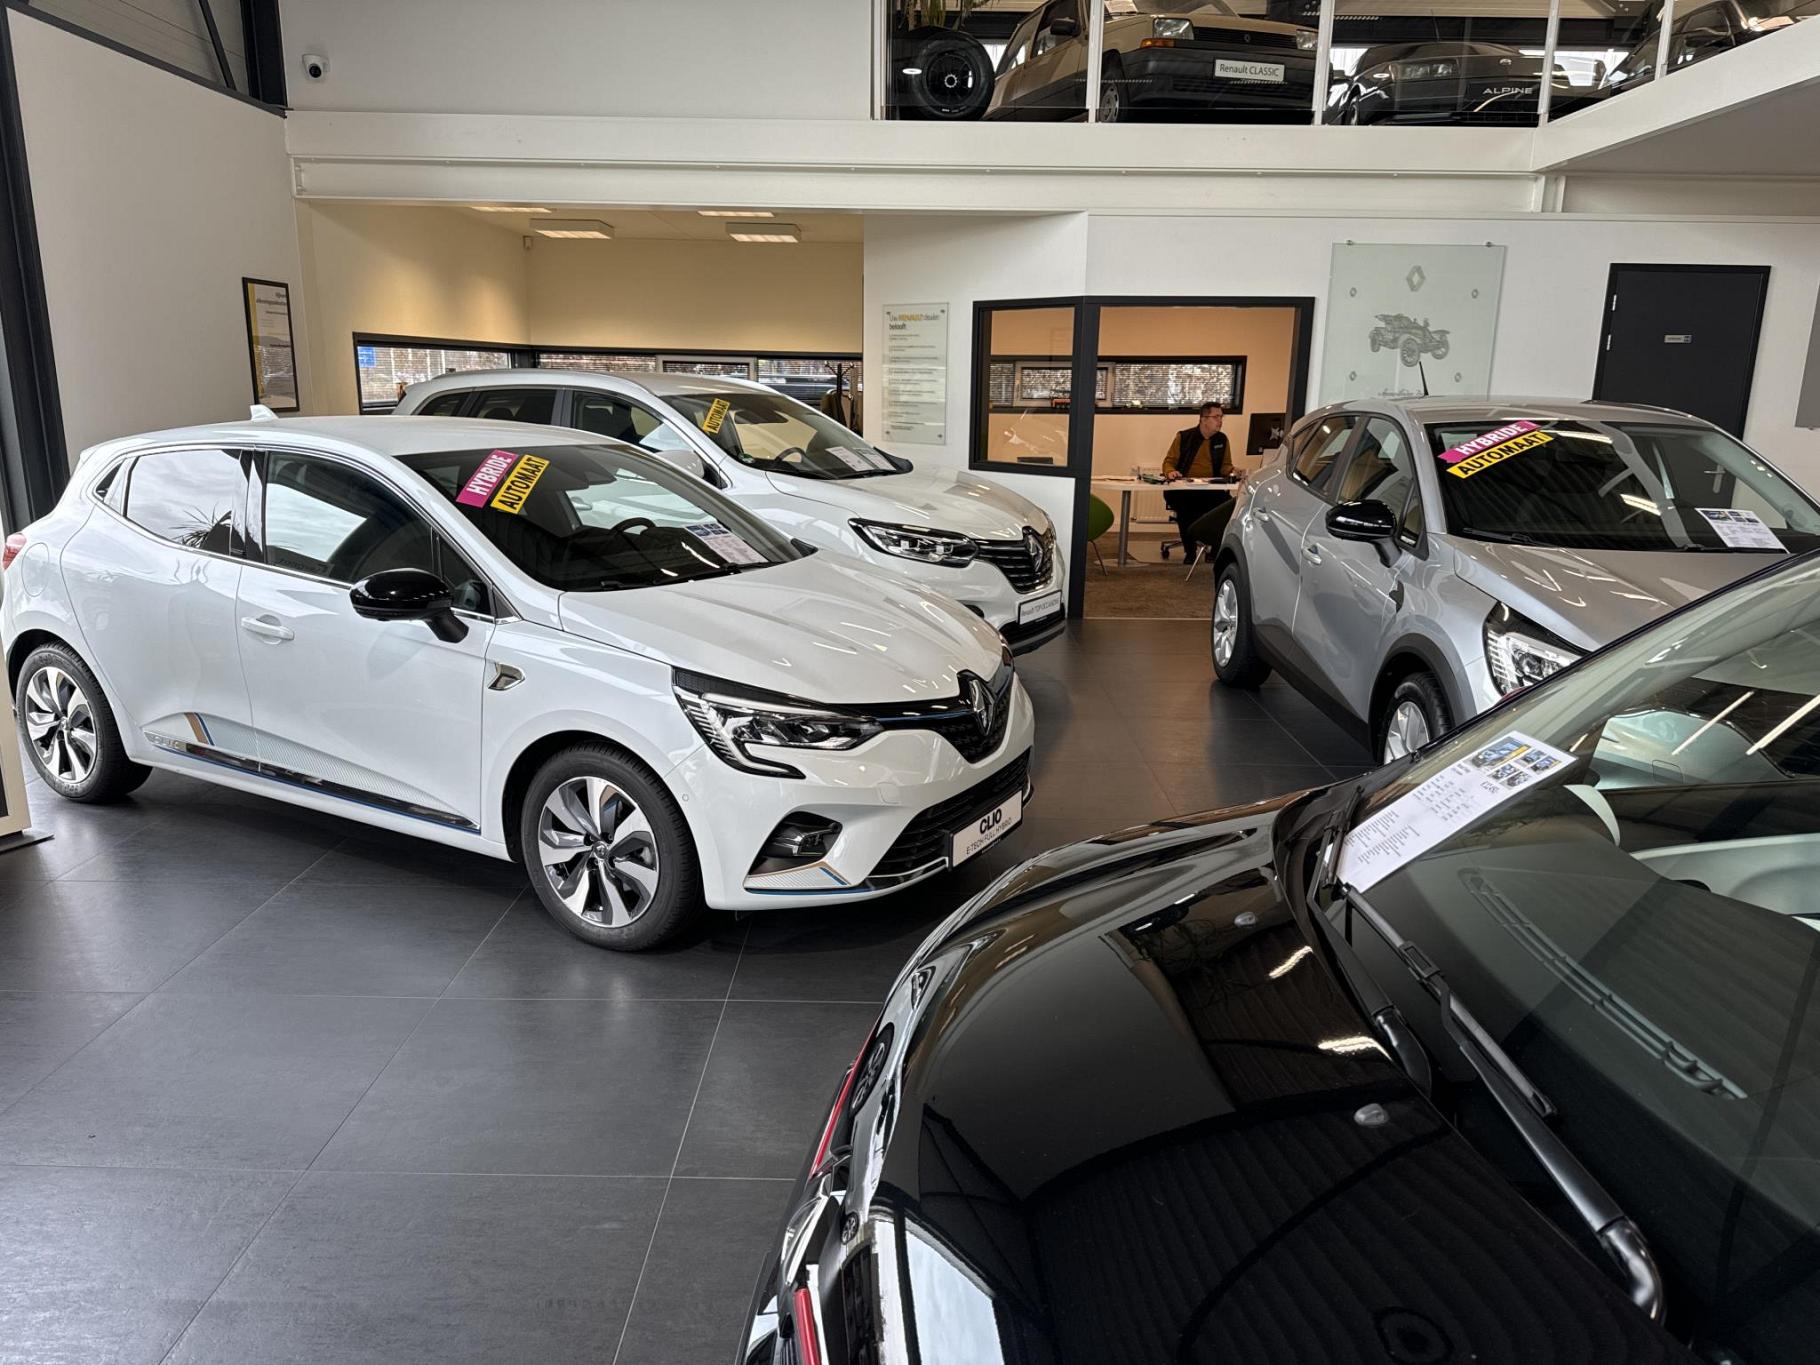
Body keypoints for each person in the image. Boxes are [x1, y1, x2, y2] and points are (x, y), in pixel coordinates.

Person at [1161, 401, 1237, 560]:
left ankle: (1215, 551)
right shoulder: (1184, 437)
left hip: (1211, 490)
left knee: (1230, 507)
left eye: (1221, 417)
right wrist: (1170, 472)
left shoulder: (1222, 440)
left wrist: (1234, 471)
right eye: (1216, 417)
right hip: (1184, 489)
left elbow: (1225, 466)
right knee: (1186, 510)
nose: (1220, 421)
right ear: (1203, 419)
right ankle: (1190, 552)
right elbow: (1169, 462)